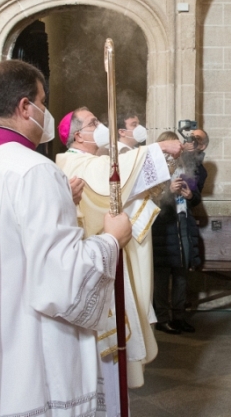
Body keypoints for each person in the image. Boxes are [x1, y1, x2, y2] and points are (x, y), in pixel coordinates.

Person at [0, 59, 133, 417]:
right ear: (25, 107)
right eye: (42, 101)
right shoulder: (35, 169)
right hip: (15, 353)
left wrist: (59, 203)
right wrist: (111, 240)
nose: (46, 112)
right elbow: (63, 282)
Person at [55, 107, 182, 398]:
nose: (100, 126)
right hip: (94, 263)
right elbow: (112, 175)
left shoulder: (90, 161)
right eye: (93, 123)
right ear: (78, 135)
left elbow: (117, 186)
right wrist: (160, 146)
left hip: (105, 255)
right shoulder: (74, 163)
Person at [151, 131, 201, 334]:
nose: (175, 152)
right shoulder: (153, 170)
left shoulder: (184, 167)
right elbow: (150, 202)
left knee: (181, 273)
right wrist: (168, 192)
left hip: (183, 223)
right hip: (163, 225)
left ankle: (179, 316)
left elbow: (197, 196)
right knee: (162, 276)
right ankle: (162, 318)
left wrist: (190, 195)